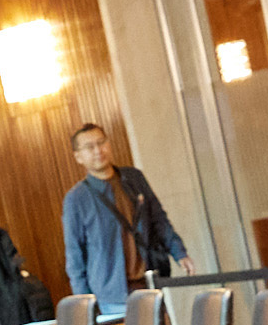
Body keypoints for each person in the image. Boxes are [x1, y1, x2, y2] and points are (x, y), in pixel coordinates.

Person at [59, 122, 188, 308]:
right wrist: (85, 304)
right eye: (89, 147)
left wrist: (179, 253)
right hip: (111, 296)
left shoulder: (134, 178)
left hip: (149, 284)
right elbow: (74, 255)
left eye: (101, 142)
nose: (98, 150)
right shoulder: (76, 198)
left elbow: (158, 219)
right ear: (78, 156)